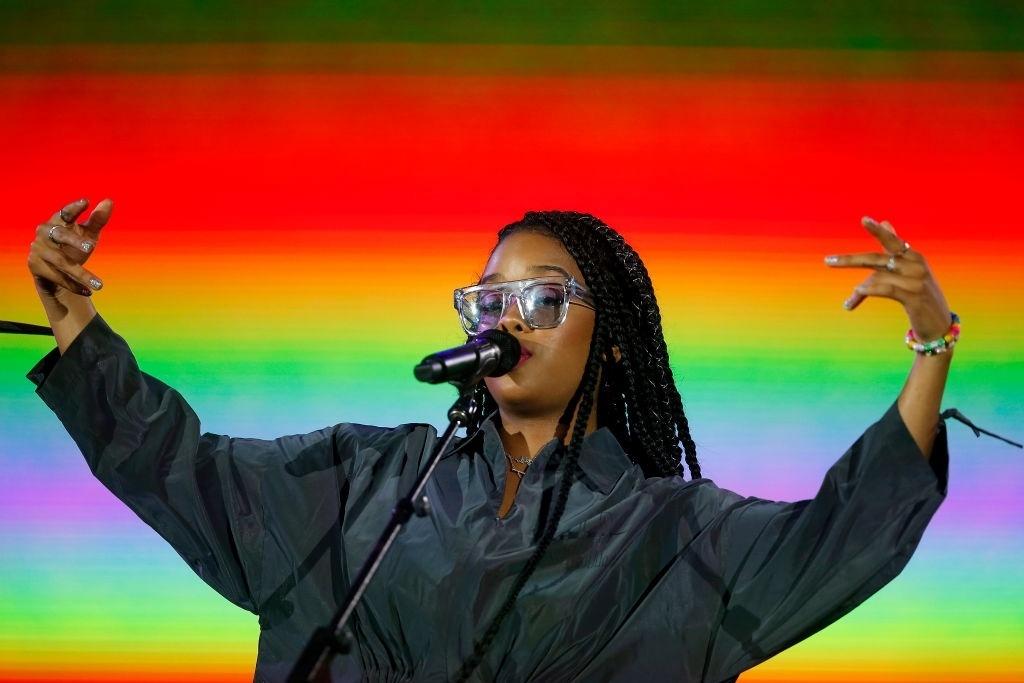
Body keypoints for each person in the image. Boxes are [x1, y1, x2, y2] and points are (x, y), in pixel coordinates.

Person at [26, 198, 954, 682]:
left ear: (612, 336)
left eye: (543, 298)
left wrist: (931, 345)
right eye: (489, 300)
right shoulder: (364, 476)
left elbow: (841, 533)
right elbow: (181, 468)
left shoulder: (679, 536)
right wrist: (74, 319)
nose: (508, 319)